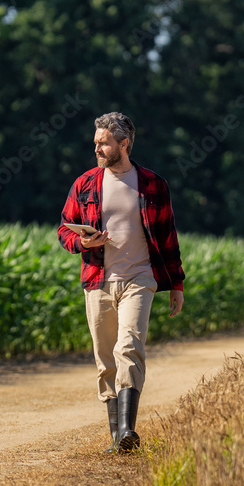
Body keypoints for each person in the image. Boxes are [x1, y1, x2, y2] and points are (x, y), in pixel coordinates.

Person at [57, 112, 185, 453]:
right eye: (96, 142)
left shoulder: (153, 185)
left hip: (140, 279)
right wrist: (83, 243)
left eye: (103, 143)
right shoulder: (84, 184)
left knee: (129, 347)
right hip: (98, 281)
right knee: (106, 361)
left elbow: (167, 236)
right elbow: (63, 230)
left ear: (123, 144)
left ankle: (129, 430)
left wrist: (176, 284)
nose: (96, 147)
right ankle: (116, 438)